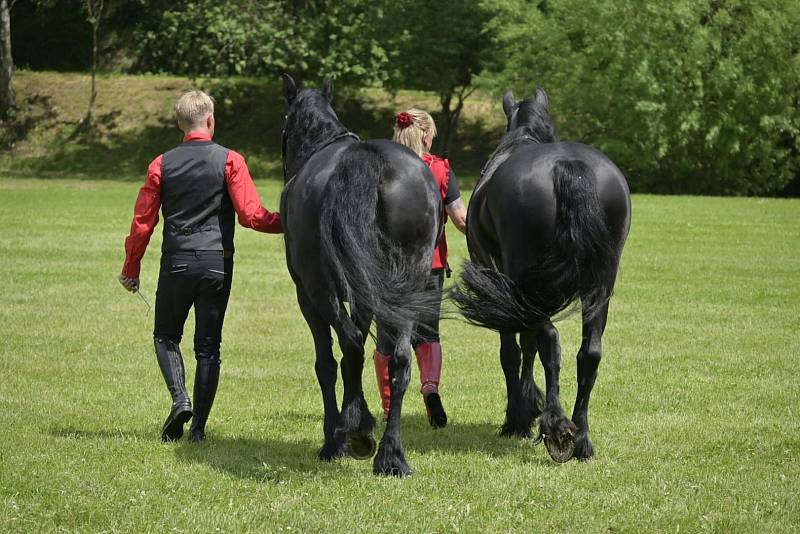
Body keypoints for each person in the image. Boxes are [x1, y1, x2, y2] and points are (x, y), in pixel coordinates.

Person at [118, 90, 282, 442]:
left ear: (180, 124)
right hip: (216, 264)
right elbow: (251, 216)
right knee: (208, 347)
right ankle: (199, 430)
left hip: (176, 262)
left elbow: (142, 223)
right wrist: (290, 220)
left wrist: (131, 268)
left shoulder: (160, 164)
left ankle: (180, 400)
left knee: (166, 336)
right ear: (210, 121)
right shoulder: (231, 160)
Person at [373, 108, 467, 428]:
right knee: (428, 332)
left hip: (388, 267)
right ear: (426, 136)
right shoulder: (440, 169)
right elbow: (460, 219)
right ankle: (430, 389)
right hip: (431, 265)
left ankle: (389, 410)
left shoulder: (381, 168)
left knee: (387, 338)